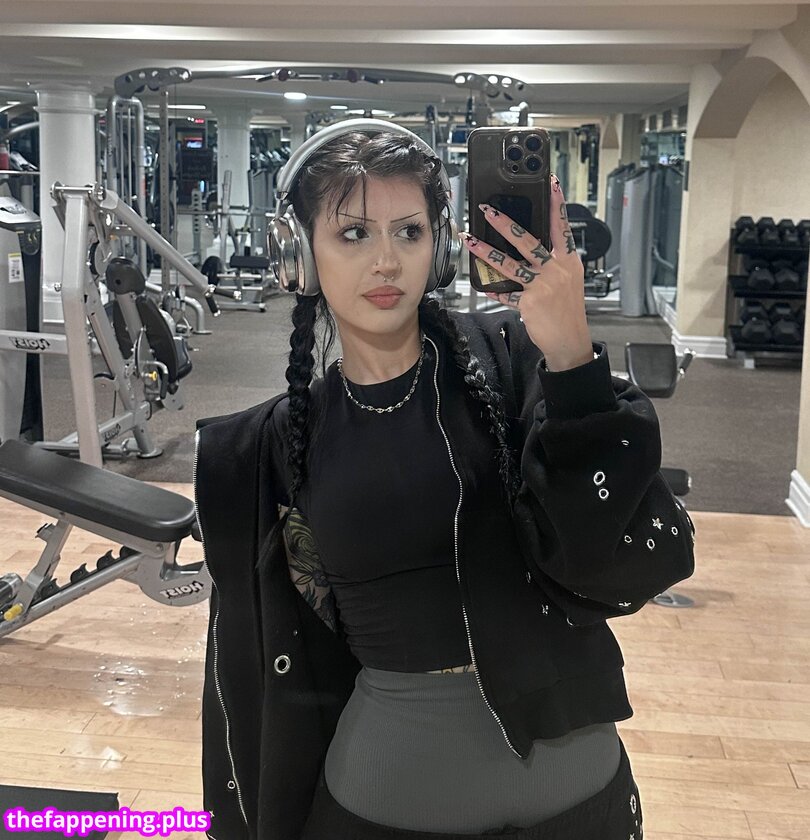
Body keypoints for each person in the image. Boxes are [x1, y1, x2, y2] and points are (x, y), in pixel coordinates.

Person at [194, 119, 695, 840]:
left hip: (581, 802)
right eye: (353, 234)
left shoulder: (517, 364)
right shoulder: (273, 447)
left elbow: (617, 569)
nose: (386, 261)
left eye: (409, 232)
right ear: (297, 252)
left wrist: (573, 360)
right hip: (386, 802)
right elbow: (274, 662)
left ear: (440, 246)